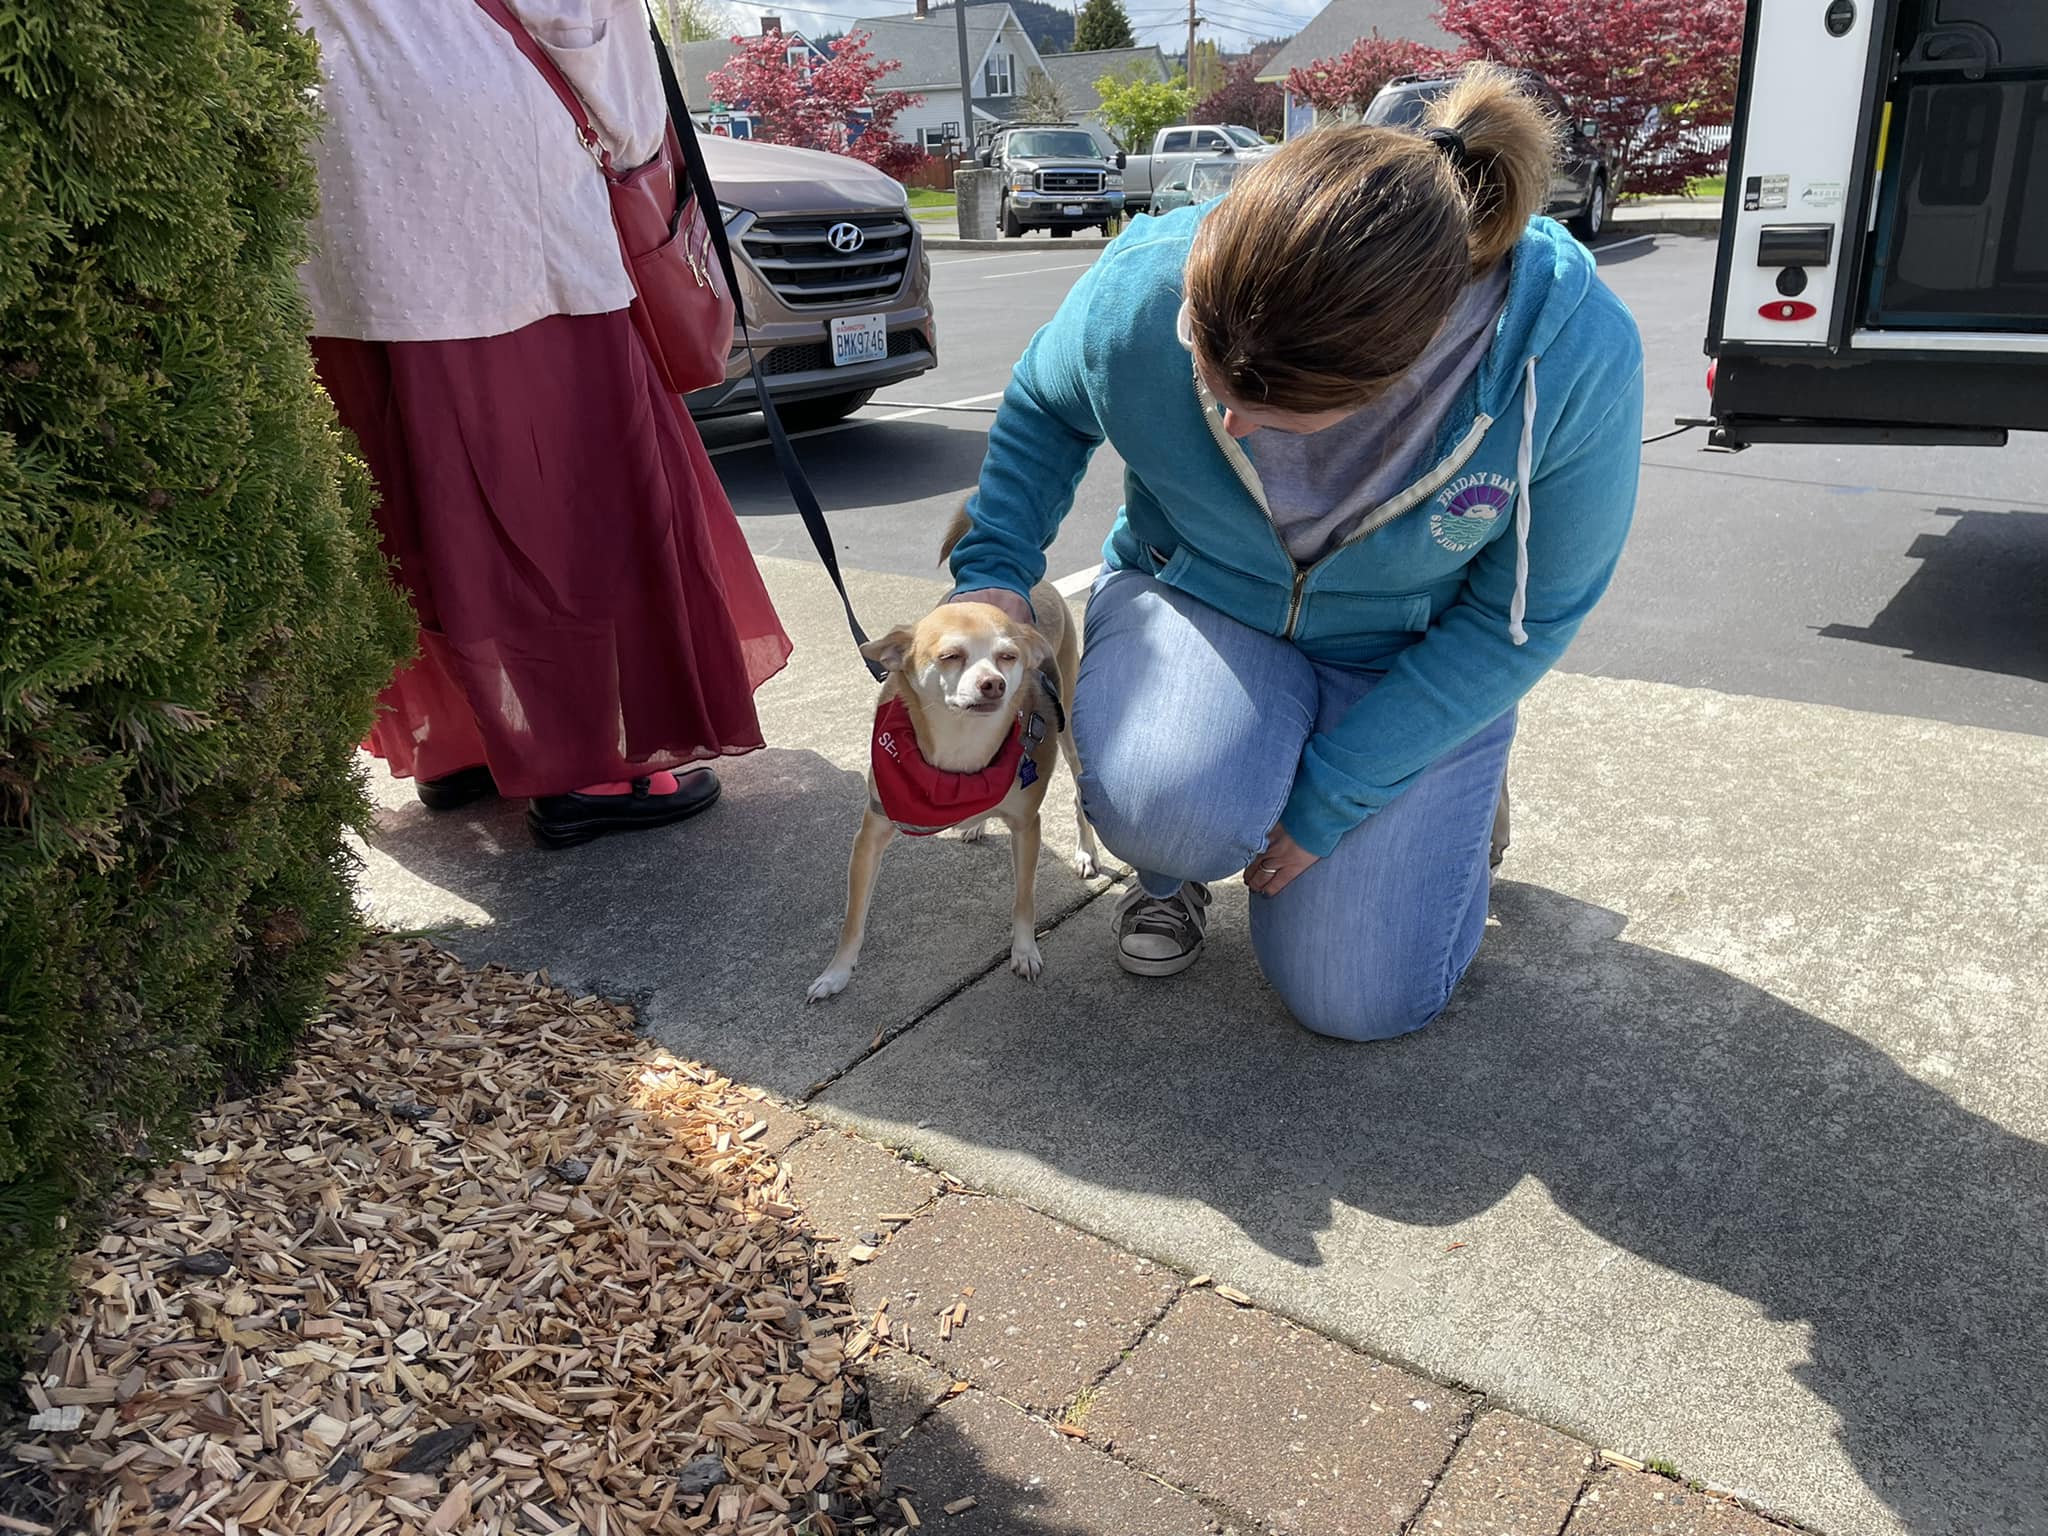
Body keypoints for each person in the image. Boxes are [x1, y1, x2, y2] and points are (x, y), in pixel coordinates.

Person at [947, 67, 1644, 1041]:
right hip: (1201, 599)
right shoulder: (1144, 283)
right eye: (1204, 358)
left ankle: (1444, 771)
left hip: (1410, 649)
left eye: (1274, 414)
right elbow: (1045, 402)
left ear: (1400, 377)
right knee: (1168, 805)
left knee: (1357, 1001)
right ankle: (1172, 870)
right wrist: (991, 568)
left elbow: (1518, 619)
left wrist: (1333, 799)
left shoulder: (1565, 355)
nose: (1227, 419)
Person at [294, 0, 791, 848]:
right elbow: (580, 23)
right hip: (484, 173)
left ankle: (459, 743)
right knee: (564, 475)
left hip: (329, 164)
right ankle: (590, 765)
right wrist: (639, 151)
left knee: (400, 477)